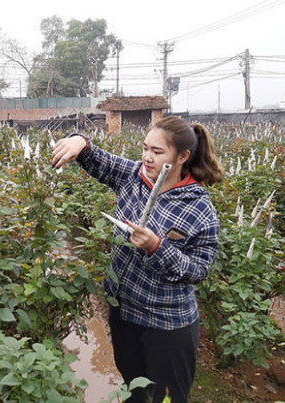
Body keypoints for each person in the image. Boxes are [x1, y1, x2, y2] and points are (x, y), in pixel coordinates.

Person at [51, 116, 223, 403]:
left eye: (157, 152)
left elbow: (199, 270)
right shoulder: (133, 176)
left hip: (166, 323)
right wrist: (78, 140)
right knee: (134, 391)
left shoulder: (199, 208)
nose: (147, 157)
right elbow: (94, 157)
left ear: (182, 157)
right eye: (145, 148)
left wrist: (157, 247)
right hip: (125, 313)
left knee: (167, 398)